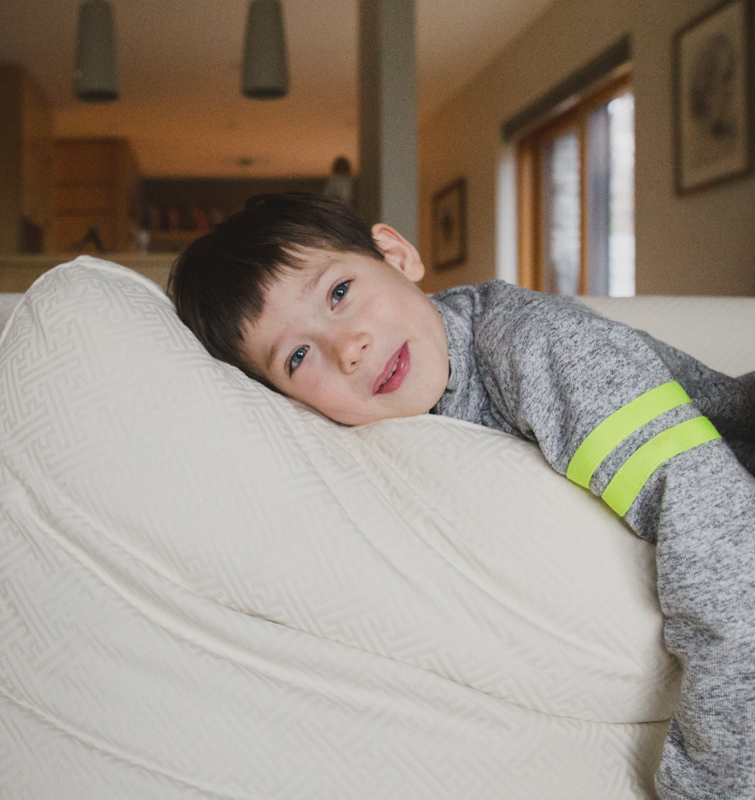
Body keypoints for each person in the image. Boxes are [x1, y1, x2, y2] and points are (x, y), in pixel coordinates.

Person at [170, 192, 755, 800]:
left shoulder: (542, 349)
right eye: (297, 356)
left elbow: (730, 552)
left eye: (339, 293)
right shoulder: (372, 441)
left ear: (396, 255)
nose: (348, 348)